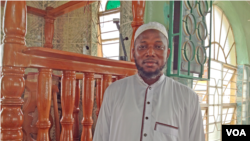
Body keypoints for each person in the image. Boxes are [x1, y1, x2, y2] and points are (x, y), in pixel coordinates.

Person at [93, 22, 205, 141]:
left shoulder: (188, 99)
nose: (150, 53)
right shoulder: (114, 92)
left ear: (167, 53)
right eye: (142, 47)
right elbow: (101, 136)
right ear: (133, 53)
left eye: (158, 47)